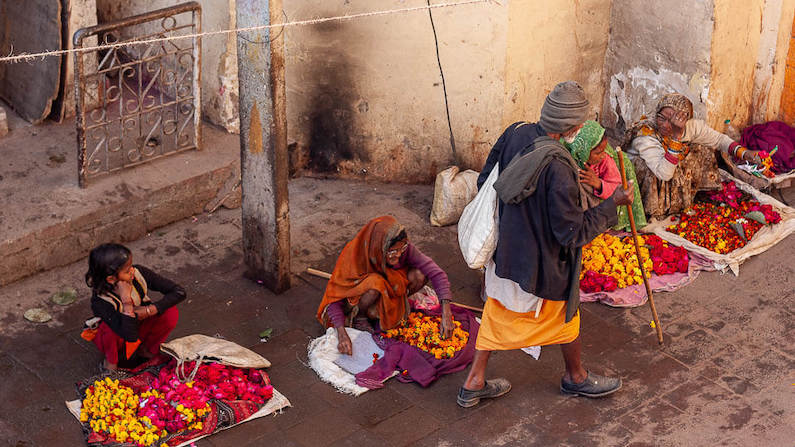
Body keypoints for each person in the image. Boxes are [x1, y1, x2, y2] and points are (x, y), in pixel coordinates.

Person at [457, 81, 635, 408]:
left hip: (508, 250)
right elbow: (572, 233)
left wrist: (518, 218)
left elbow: (487, 179)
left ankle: (475, 381)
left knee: (499, 312)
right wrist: (613, 204)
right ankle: (576, 377)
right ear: (572, 127)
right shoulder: (560, 169)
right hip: (540, 263)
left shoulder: (516, 132)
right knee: (564, 314)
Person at [316, 215, 454, 356]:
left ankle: (387, 307)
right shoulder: (354, 256)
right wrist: (341, 333)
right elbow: (335, 300)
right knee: (375, 283)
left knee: (420, 274)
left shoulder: (402, 248)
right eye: (393, 252)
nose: (399, 255)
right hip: (361, 300)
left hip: (388, 290)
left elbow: (436, 272)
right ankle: (361, 317)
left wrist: (446, 312)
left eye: (402, 248)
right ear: (379, 248)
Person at [625, 93, 761, 219]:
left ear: (685, 120)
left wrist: (744, 153)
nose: (665, 125)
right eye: (662, 118)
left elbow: (719, 140)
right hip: (649, 177)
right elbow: (664, 173)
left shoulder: (691, 127)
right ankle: (657, 210)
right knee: (654, 167)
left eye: (672, 121)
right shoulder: (646, 135)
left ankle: (690, 197)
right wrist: (676, 137)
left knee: (701, 148)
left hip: (668, 170)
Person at [85, 243, 185, 371]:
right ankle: (110, 363)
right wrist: (126, 302)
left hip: (138, 324)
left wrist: (150, 310)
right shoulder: (100, 301)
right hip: (120, 335)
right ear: (111, 279)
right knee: (108, 330)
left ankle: (145, 350)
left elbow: (179, 292)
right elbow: (129, 336)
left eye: (131, 266)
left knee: (170, 312)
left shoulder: (139, 273)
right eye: (127, 271)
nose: (132, 271)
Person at [562, 120, 647, 231]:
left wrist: (598, 183)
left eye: (604, 150)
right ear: (582, 151)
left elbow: (617, 188)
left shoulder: (605, 161)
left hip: (601, 208)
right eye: (598, 153)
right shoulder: (567, 159)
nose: (602, 156)